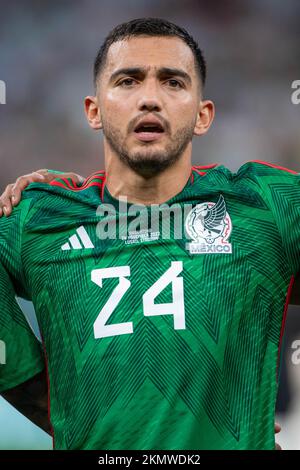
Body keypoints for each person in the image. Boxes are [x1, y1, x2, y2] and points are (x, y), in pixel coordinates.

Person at [0, 17, 298, 450]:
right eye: (128, 81)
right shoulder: (39, 216)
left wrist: (239, 407)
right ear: (94, 110)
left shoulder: (267, 206)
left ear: (202, 115)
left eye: (173, 82)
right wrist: (55, 404)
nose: (150, 98)